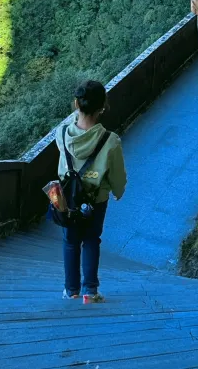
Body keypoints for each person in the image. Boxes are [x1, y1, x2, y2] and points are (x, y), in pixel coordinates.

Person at [55, 80, 127, 302]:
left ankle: (71, 290)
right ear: (102, 107)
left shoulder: (63, 133)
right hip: (96, 200)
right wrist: (118, 190)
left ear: (76, 103)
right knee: (92, 240)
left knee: (70, 241)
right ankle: (90, 291)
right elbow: (117, 175)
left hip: (68, 198)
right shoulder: (110, 140)